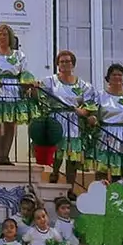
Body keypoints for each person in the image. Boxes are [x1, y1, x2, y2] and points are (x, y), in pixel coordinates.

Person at [40, 50, 97, 187]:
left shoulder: (83, 85)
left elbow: (90, 104)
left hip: (74, 121)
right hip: (57, 119)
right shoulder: (50, 81)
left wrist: (83, 112)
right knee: (57, 153)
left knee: (73, 157)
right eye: (62, 61)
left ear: (73, 64)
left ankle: (70, 186)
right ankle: (54, 174)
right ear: (58, 65)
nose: (65, 64)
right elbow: (40, 94)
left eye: (68, 61)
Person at [0, 23, 38, 165]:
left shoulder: (18, 55)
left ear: (10, 37)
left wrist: (26, 83)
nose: (2, 37)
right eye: (0, 35)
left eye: (5, 34)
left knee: (10, 124)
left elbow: (24, 71)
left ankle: (6, 155)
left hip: (14, 90)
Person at [89, 64, 123, 179]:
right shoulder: (99, 95)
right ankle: (100, 194)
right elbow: (93, 112)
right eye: (114, 74)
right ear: (108, 78)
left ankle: (117, 194)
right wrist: (92, 119)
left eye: (120, 74)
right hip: (104, 134)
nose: (117, 77)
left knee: (119, 170)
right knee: (102, 169)